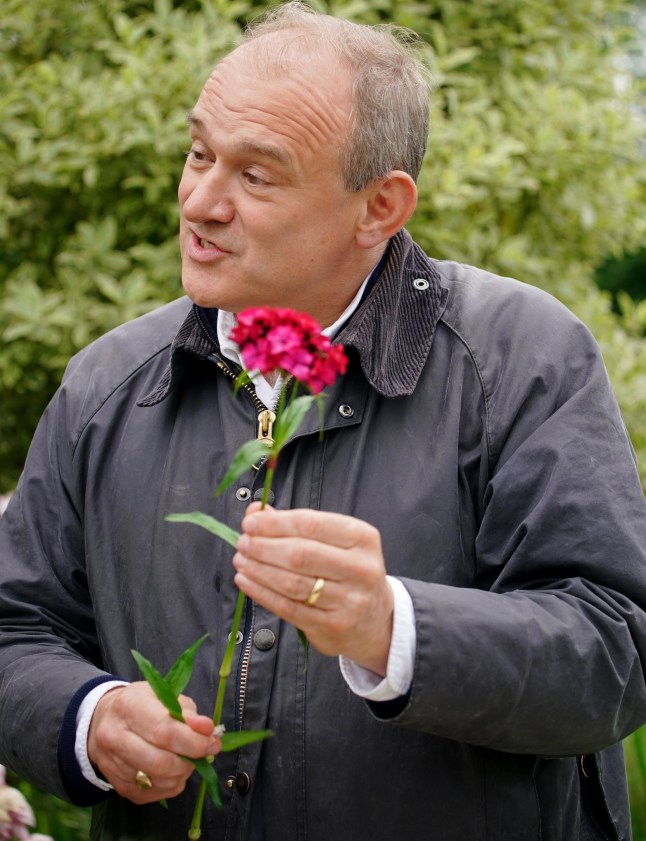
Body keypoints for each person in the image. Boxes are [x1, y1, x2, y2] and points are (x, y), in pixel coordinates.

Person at [1, 4, 646, 840]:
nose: (199, 201)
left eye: (256, 176)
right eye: (199, 153)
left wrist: (395, 628)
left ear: (379, 206)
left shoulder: (524, 357)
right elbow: (15, 625)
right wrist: (87, 718)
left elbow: (617, 649)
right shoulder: (106, 382)